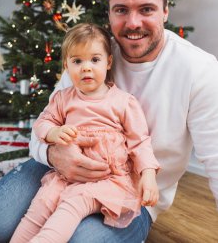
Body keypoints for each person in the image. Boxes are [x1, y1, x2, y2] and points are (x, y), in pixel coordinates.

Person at [0, 0, 217, 243]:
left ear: (165, 12)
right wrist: (53, 154)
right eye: (121, 10)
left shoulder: (199, 69)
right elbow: (44, 125)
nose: (133, 22)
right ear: (109, 14)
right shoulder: (87, 56)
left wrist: (146, 175)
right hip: (57, 171)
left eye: (146, 9)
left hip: (126, 191)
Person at [10, 23, 160, 243]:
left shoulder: (123, 102)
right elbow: (42, 123)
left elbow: (140, 143)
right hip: (65, 176)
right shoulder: (63, 98)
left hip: (107, 179)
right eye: (77, 61)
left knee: (72, 205)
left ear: (108, 62)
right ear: (66, 66)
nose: (86, 68)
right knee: (40, 206)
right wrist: (53, 132)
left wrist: (148, 175)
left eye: (95, 60)